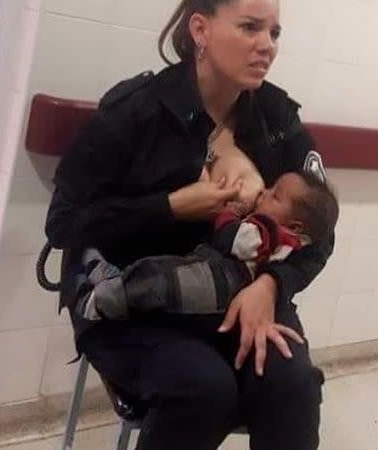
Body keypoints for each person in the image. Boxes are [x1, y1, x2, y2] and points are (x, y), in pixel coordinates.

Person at [45, 1, 336, 448]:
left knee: (292, 387)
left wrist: (273, 285)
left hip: (241, 296)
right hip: (138, 296)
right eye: (250, 28)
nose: (267, 46)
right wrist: (170, 207)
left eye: (274, 33)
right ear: (200, 29)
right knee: (204, 391)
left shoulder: (276, 118)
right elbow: (64, 224)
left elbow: (319, 229)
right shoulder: (137, 110)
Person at [76, 171, 339, 323]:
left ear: (295, 227)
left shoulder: (271, 234)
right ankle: (111, 280)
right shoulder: (292, 241)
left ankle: (98, 303)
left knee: (157, 279)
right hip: (214, 278)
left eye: (274, 196)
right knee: (155, 276)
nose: (264, 192)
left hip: (218, 282)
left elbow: (231, 239)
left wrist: (225, 212)